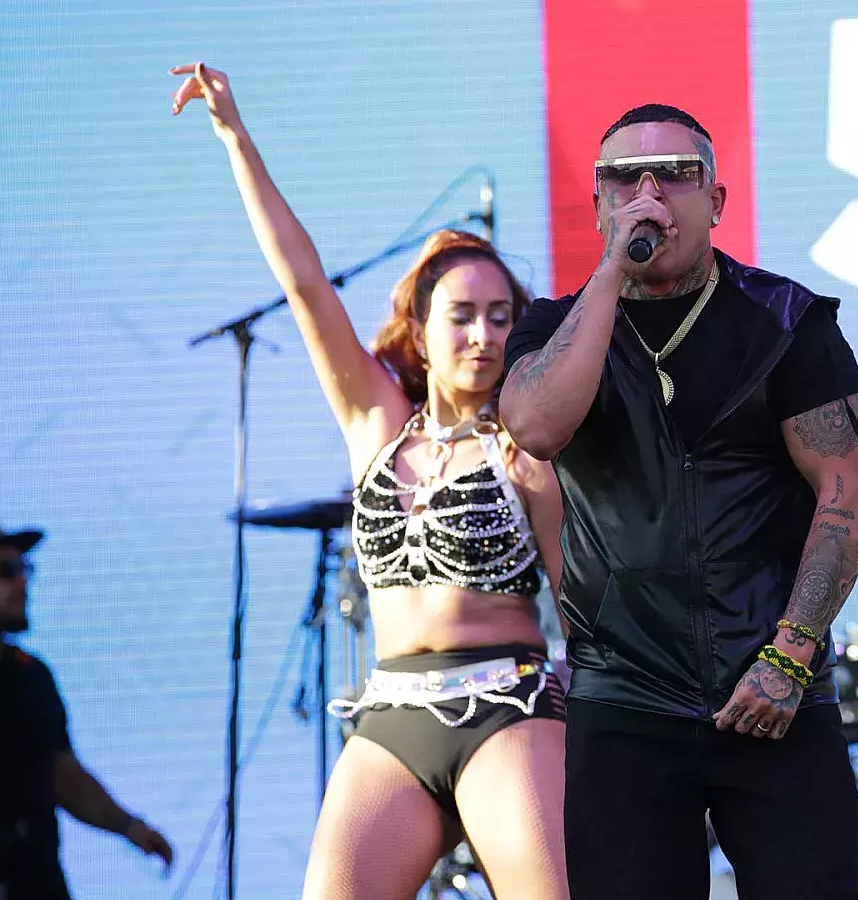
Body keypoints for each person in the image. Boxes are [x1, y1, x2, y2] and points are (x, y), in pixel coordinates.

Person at [171, 63, 569, 900]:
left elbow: (586, 602)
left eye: (501, 317)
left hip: (509, 704)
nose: (484, 335)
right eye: (461, 316)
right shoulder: (375, 426)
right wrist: (235, 138)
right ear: (420, 332)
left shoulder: (527, 443)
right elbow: (304, 283)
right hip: (392, 714)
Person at [501, 103, 858, 900]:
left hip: (771, 682)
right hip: (625, 694)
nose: (650, 193)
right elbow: (537, 429)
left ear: (714, 201)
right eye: (623, 178)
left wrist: (790, 657)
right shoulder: (552, 328)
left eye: (677, 175)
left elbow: (846, 494)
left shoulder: (785, 322)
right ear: (600, 205)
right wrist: (611, 271)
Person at [0, 518, 175, 899]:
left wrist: (127, 825)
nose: (22, 583)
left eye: (25, 569)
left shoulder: (31, 677)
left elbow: (59, 769)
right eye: (6, 571)